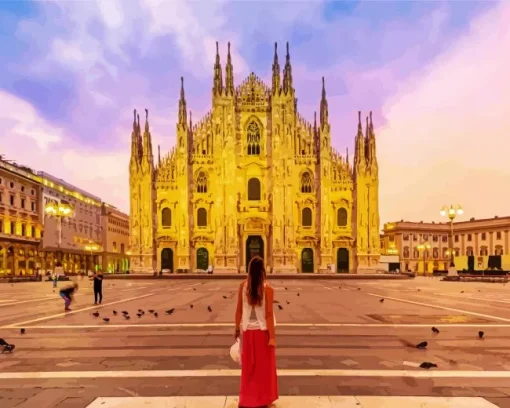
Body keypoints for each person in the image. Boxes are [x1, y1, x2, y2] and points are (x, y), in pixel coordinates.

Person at [235, 256, 278, 407]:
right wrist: (272, 337)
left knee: (249, 368)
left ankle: (247, 399)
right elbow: (268, 314)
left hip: (247, 332)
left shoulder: (242, 286)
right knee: (264, 369)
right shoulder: (268, 289)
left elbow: (238, 310)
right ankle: (263, 399)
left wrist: (236, 330)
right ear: (263, 271)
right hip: (262, 332)